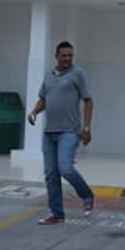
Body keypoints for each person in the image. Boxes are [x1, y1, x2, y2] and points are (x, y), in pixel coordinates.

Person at [27, 41, 95, 225]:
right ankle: (56, 213)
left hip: (69, 131)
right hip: (49, 133)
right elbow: (44, 98)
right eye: (64, 55)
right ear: (56, 56)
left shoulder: (77, 74)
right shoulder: (48, 76)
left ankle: (87, 195)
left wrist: (86, 128)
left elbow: (88, 101)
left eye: (70, 56)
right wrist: (34, 112)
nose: (67, 59)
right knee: (51, 173)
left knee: (65, 168)